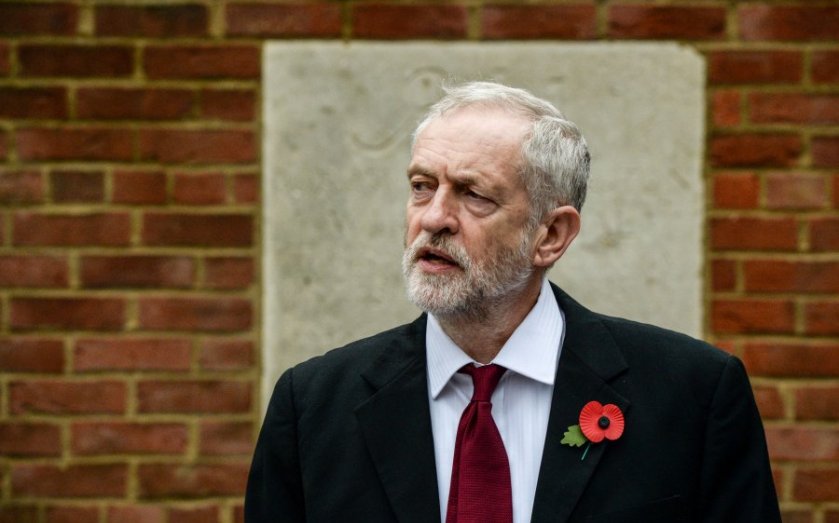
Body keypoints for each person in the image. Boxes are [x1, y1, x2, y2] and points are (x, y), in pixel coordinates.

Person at [245, 81, 781, 523]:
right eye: (421, 186)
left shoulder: (694, 394)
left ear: (550, 234)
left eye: (474, 194)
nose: (433, 218)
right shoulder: (313, 404)